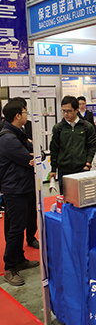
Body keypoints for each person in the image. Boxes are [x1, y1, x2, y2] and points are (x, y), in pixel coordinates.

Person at [0, 100, 39, 286]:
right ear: (17, 116)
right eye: (25, 112)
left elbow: (35, 152)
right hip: (15, 189)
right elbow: (28, 158)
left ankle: (19, 259)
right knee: (15, 228)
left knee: (20, 224)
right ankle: (9, 268)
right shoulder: (8, 139)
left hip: (23, 185)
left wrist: (34, 155)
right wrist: (33, 157)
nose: (26, 115)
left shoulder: (18, 133)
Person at [49, 96, 96, 195]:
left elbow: (92, 146)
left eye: (69, 111)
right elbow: (54, 149)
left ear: (76, 110)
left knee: (83, 197)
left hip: (81, 169)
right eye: (63, 111)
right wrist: (53, 169)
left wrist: (88, 163)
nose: (66, 114)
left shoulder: (87, 127)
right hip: (64, 170)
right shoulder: (58, 128)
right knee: (66, 198)